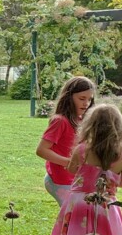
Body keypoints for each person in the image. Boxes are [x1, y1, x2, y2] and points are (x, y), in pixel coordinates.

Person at [34, 104, 122, 235]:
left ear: (90, 126)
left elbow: (72, 169)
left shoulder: (82, 150)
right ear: (119, 128)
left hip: (78, 202)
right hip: (107, 206)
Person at [35, 76, 95, 205]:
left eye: (89, 99)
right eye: (82, 99)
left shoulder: (81, 120)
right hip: (60, 181)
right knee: (72, 217)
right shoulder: (60, 121)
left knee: (78, 217)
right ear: (69, 97)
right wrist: (69, 162)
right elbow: (41, 150)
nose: (86, 103)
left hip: (75, 179)